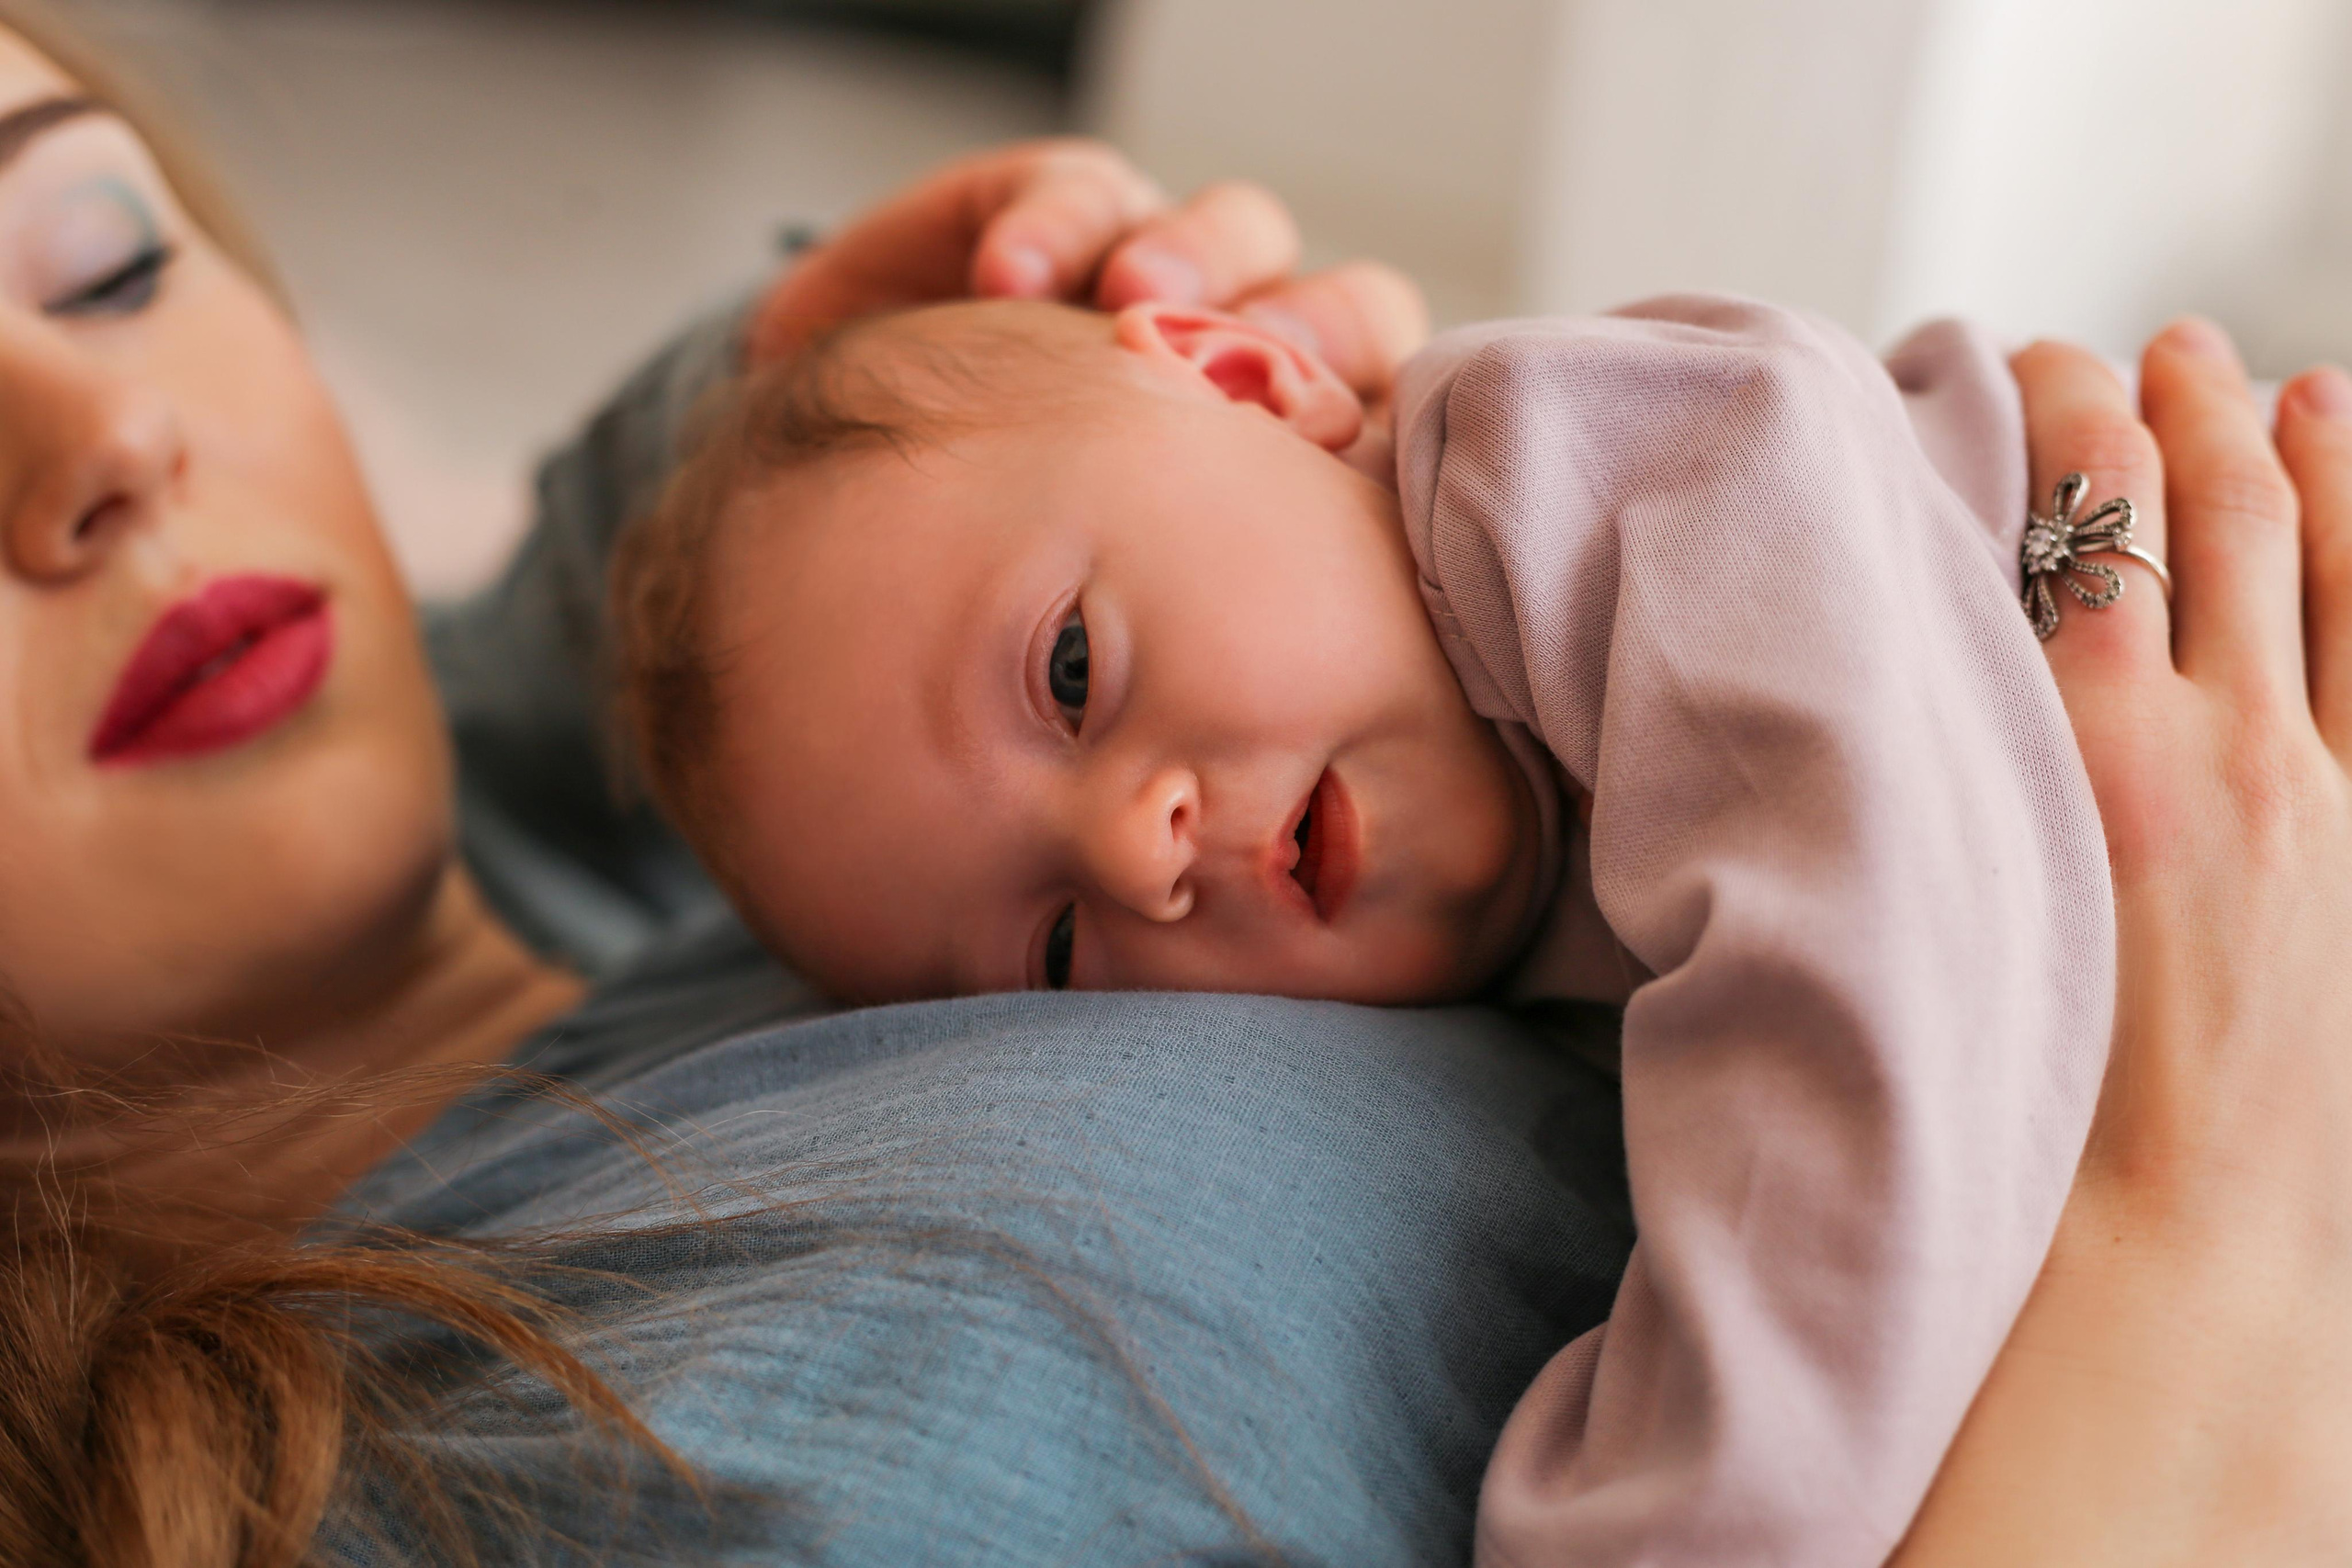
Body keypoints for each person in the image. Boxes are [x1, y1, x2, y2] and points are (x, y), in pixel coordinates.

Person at [0, 1, 2345, 1562]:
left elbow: (557, 672)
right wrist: (2202, 1247)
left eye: (100, 258)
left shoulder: (1605, 504)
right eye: (1041, 951)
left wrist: (832, 411)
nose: (111, 444)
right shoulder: (483, 1454)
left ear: (1231, 366)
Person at [606, 285, 2105, 1566]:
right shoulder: (1501, 975)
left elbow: (1873, 1031)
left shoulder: (1610, 469)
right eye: (1054, 951)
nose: (1141, 854)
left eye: (1070, 668)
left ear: (1249, 377)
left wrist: (1649, 1521)